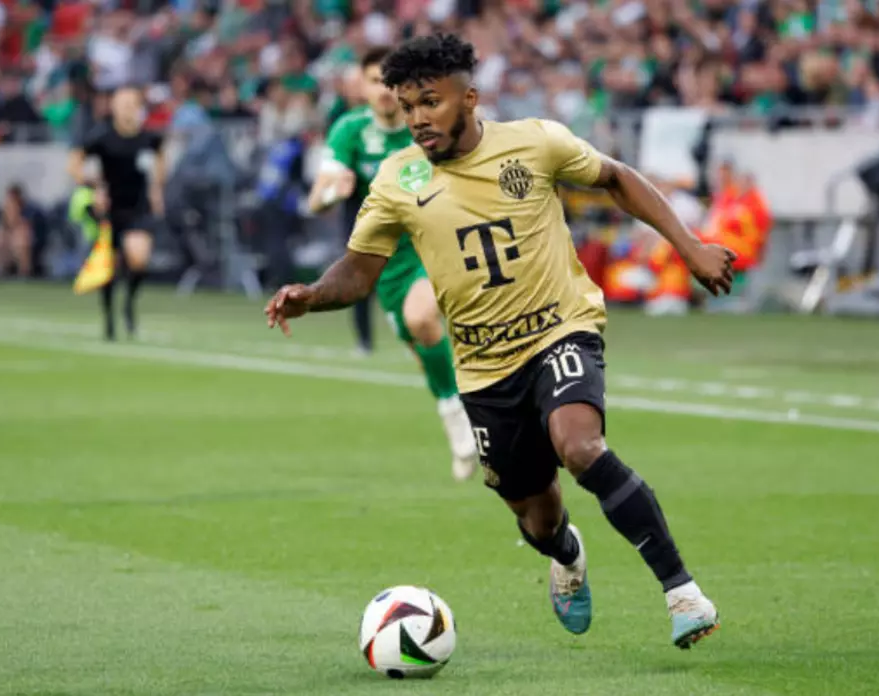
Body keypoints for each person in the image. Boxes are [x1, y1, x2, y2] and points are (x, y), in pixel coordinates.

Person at [265, 34, 735, 648]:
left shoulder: (535, 143)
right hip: (485, 369)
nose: (417, 119)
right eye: (407, 107)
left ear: (469, 98)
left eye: (430, 102)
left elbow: (617, 179)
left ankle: (683, 593)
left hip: (560, 329)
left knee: (580, 446)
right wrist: (312, 294)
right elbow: (359, 270)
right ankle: (567, 555)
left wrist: (690, 247)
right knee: (538, 518)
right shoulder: (397, 179)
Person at [307, 46, 478, 482]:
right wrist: (334, 192)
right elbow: (315, 200)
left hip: (434, 242)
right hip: (386, 260)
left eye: (390, 83)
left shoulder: (425, 124)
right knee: (423, 346)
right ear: (360, 86)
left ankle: (465, 416)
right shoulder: (349, 130)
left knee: (422, 318)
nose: (383, 91)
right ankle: (458, 414)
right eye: (374, 82)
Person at [68, 86, 166, 341]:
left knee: (139, 259)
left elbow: (160, 160)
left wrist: (157, 189)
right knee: (108, 268)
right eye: (123, 104)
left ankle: (129, 303)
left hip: (138, 207)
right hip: (110, 209)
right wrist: (93, 187)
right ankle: (109, 318)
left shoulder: (148, 138)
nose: (128, 110)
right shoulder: (102, 137)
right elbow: (75, 162)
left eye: (132, 104)